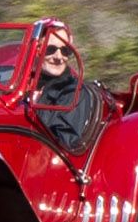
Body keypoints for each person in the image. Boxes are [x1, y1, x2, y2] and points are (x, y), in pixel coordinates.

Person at [34, 19, 99, 148]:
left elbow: (65, 142)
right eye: (50, 49)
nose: (59, 57)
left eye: (65, 50)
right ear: (36, 50)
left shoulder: (74, 93)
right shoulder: (19, 86)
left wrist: (37, 106)